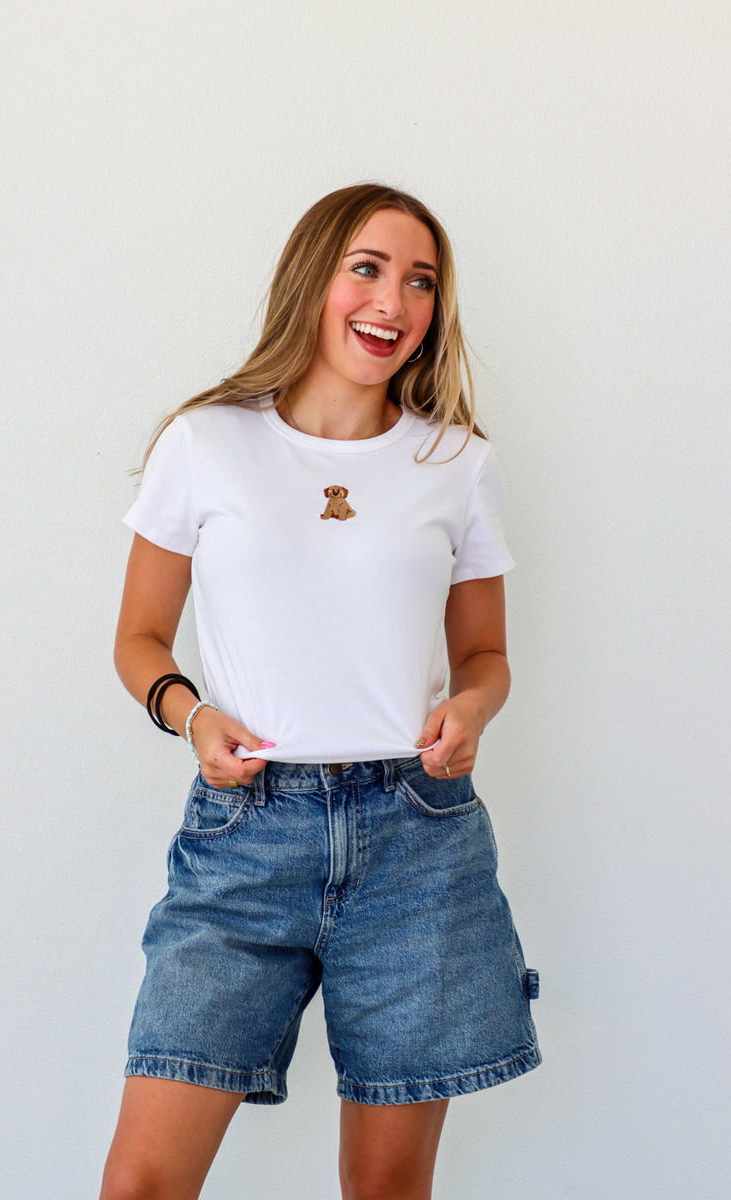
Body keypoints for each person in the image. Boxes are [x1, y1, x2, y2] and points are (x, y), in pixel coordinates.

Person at [100, 183, 540, 1200]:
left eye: (419, 280)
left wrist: (467, 713)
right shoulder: (206, 442)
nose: (394, 299)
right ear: (315, 280)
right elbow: (137, 638)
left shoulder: (456, 465)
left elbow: (485, 658)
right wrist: (191, 713)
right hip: (244, 835)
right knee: (142, 1185)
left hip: (416, 841)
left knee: (384, 1192)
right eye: (368, 268)